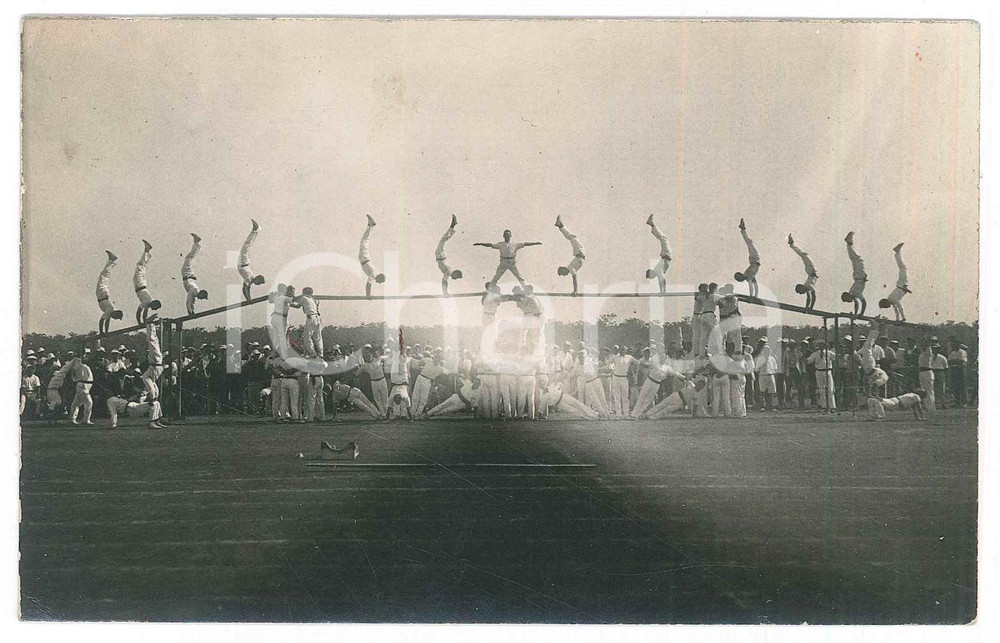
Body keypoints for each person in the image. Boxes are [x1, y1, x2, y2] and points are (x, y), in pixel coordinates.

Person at [474, 229, 542, 288]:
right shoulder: (500, 244)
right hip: (503, 262)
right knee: (497, 276)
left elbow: (525, 244)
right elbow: (490, 245)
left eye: (508, 235)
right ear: (503, 236)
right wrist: (480, 244)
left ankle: (525, 288)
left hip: (512, 262)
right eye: (506, 235)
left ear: (510, 236)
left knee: (519, 276)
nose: (507, 236)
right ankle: (491, 288)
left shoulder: (515, 244)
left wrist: (536, 243)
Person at [879, 243, 911, 321]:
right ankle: (897, 253)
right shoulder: (891, 300)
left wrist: (903, 318)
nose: (887, 307)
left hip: (902, 284)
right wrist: (897, 319)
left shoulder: (892, 300)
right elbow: (896, 310)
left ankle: (897, 252)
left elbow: (899, 308)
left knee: (903, 268)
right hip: (901, 285)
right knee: (902, 268)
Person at [554, 215, 586, 294]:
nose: (564, 276)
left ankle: (560, 225)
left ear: (564, 269)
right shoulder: (570, 267)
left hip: (579, 252)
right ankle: (560, 226)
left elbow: (574, 278)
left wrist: (575, 291)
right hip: (579, 252)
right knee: (572, 237)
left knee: (572, 237)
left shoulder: (570, 268)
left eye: (562, 274)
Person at [133, 240, 161, 325]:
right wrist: (139, 322)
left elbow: (144, 312)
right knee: (140, 266)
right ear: (153, 304)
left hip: (141, 285)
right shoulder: (147, 302)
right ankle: (147, 250)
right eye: (155, 308)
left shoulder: (148, 303)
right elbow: (139, 311)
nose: (154, 310)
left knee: (141, 267)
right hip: (140, 285)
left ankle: (147, 252)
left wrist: (144, 322)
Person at [181, 233, 210, 315]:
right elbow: (189, 301)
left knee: (190, 258)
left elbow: (191, 302)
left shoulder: (194, 292)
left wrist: (192, 311)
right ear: (200, 294)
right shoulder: (194, 291)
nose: (200, 299)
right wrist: (190, 312)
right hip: (187, 274)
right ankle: (196, 243)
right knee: (190, 258)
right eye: (202, 297)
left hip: (189, 275)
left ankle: (196, 243)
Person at [96, 250, 124, 334]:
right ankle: (111, 260)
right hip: (102, 294)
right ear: (115, 314)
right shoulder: (110, 310)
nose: (114, 319)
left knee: (104, 277)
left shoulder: (110, 311)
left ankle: (111, 261)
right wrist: (101, 332)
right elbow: (101, 321)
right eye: (115, 317)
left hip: (103, 295)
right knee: (103, 276)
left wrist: (106, 332)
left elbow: (107, 321)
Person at [238, 219, 266, 302]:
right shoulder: (250, 279)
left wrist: (249, 299)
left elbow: (247, 288)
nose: (258, 284)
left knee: (248, 246)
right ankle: (255, 230)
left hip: (244, 262)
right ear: (257, 278)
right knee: (247, 245)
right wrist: (248, 299)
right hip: (243, 262)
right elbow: (245, 288)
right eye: (259, 282)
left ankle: (256, 230)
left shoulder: (250, 280)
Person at [644, 215, 673, 294]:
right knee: (663, 238)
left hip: (666, 254)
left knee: (663, 238)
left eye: (650, 277)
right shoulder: (657, 271)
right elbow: (661, 280)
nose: (652, 278)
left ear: (651, 273)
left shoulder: (657, 270)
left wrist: (663, 291)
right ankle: (652, 225)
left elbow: (662, 280)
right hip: (666, 255)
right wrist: (662, 291)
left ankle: (652, 224)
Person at [359, 215, 387, 298]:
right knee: (364, 240)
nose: (378, 283)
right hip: (364, 258)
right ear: (379, 278)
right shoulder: (374, 274)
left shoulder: (375, 273)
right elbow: (368, 284)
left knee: (364, 241)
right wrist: (368, 295)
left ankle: (370, 226)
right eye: (380, 282)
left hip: (364, 258)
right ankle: (370, 225)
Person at [788, 234, 818, 309]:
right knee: (804, 255)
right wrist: (807, 307)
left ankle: (792, 244)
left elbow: (813, 296)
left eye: (800, 292)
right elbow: (810, 297)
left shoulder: (808, 285)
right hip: (811, 271)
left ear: (802, 287)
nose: (801, 294)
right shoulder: (808, 287)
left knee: (804, 255)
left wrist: (810, 307)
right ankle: (792, 244)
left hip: (811, 271)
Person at [806, 339, 837, 413]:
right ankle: (824, 406)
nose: (820, 346)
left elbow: (836, 358)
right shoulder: (815, 354)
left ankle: (832, 406)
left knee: (830, 389)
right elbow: (809, 360)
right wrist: (804, 359)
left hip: (828, 371)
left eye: (822, 344)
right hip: (819, 371)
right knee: (821, 389)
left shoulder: (829, 353)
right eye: (819, 344)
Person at [435, 215, 463, 295]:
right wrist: (445, 292)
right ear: (455, 273)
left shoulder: (449, 272)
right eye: (456, 277)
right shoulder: (449, 271)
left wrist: (445, 292)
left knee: (443, 240)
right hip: (441, 256)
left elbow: (445, 281)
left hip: (440, 256)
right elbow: (444, 281)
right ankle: (453, 225)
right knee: (443, 239)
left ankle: (453, 226)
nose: (455, 279)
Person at [842, 231, 868, 316]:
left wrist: (861, 314)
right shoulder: (853, 292)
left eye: (848, 300)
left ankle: (849, 243)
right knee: (854, 259)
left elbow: (863, 302)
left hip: (859, 275)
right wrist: (857, 314)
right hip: (857, 276)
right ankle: (849, 243)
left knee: (858, 259)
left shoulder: (856, 293)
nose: (850, 301)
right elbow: (857, 303)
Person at [734, 218, 761, 298]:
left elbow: (751, 286)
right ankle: (743, 229)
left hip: (754, 259)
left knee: (749, 242)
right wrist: (755, 296)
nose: (741, 281)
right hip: (755, 259)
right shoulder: (749, 276)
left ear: (741, 275)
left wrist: (751, 296)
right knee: (749, 243)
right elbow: (755, 285)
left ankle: (743, 229)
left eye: (739, 279)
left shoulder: (747, 275)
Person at [610, 345, 636, 419]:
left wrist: (632, 370)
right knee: (617, 396)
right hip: (616, 378)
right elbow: (607, 362)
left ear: (626, 350)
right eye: (621, 350)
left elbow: (638, 362)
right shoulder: (615, 357)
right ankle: (618, 414)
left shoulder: (629, 357)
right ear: (619, 350)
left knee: (625, 396)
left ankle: (626, 414)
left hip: (624, 378)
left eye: (624, 350)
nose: (622, 351)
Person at [296, 287, 324, 358]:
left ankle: (312, 353)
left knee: (307, 337)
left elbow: (296, 303)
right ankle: (320, 354)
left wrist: (288, 301)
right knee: (317, 337)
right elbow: (299, 306)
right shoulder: (314, 299)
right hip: (317, 318)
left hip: (311, 317)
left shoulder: (304, 298)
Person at [68, 357, 95, 426]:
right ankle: (86, 419)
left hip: (84, 386)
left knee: (76, 403)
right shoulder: (80, 366)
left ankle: (72, 419)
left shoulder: (86, 367)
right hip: (83, 386)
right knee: (89, 403)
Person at [948, 340, 969, 407]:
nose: (954, 346)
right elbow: (949, 361)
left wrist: (955, 361)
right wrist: (955, 361)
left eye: (956, 345)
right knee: (955, 386)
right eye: (953, 345)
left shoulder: (962, 352)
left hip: (961, 370)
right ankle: (957, 402)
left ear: (959, 345)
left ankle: (964, 402)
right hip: (954, 370)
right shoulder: (952, 353)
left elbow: (961, 361)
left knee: (962, 386)